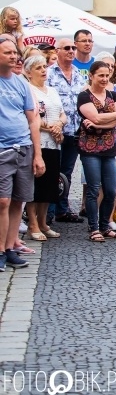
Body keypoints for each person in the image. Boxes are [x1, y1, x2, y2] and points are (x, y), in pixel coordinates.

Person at [0, 35, 45, 269]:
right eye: (8, 53)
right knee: (3, 201)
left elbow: (33, 120)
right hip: (2, 150)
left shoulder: (21, 84)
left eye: (15, 53)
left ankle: (10, 248)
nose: (14, 57)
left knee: (18, 200)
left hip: (23, 148)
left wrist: (37, 155)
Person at [78, 61, 116, 243]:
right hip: (89, 148)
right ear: (91, 76)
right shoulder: (84, 96)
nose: (105, 79)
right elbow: (96, 116)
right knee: (93, 189)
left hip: (109, 147)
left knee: (111, 190)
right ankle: (94, 227)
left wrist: (100, 124)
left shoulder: (113, 94)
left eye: (107, 75)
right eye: (101, 75)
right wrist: (113, 117)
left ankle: (105, 225)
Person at [23, 55, 65, 243]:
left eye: (44, 67)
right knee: (36, 185)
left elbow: (63, 113)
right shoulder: (28, 90)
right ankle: (32, 223)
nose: (43, 70)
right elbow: (31, 117)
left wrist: (59, 125)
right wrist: (50, 127)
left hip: (54, 141)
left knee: (49, 184)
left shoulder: (52, 90)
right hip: (37, 141)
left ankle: (43, 221)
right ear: (29, 72)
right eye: (38, 67)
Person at [46, 36, 87, 224]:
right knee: (52, 170)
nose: (71, 51)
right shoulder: (49, 74)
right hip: (54, 131)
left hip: (74, 131)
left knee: (67, 172)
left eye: (73, 47)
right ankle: (50, 210)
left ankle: (62, 209)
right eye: (67, 48)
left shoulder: (79, 73)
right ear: (57, 51)